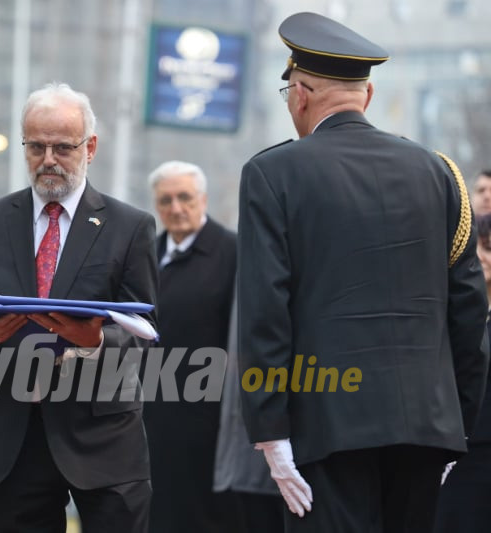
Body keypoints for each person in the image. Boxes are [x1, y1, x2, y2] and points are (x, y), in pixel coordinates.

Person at [237, 11, 489, 533]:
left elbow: (266, 310)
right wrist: (455, 425)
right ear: (366, 97)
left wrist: (271, 431)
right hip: (425, 425)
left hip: (326, 428)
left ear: (300, 94)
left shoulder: (272, 173)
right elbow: (468, 308)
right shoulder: (439, 173)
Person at [0, 82, 158, 533]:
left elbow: (149, 328)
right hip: (14, 437)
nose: (48, 160)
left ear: (90, 147)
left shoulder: (129, 227)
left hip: (103, 436)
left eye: (62, 147)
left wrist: (95, 340)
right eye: (36, 147)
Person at [143, 160, 247, 532]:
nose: (176, 208)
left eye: (184, 197)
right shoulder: (144, 257)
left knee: (205, 516)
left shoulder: (234, 253)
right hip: (151, 416)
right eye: (166, 200)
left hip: (210, 417)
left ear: (202, 199)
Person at [434, 212, 491, 531]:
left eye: (490, 248)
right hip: (457, 451)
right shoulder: (454, 310)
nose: (482, 256)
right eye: (477, 247)